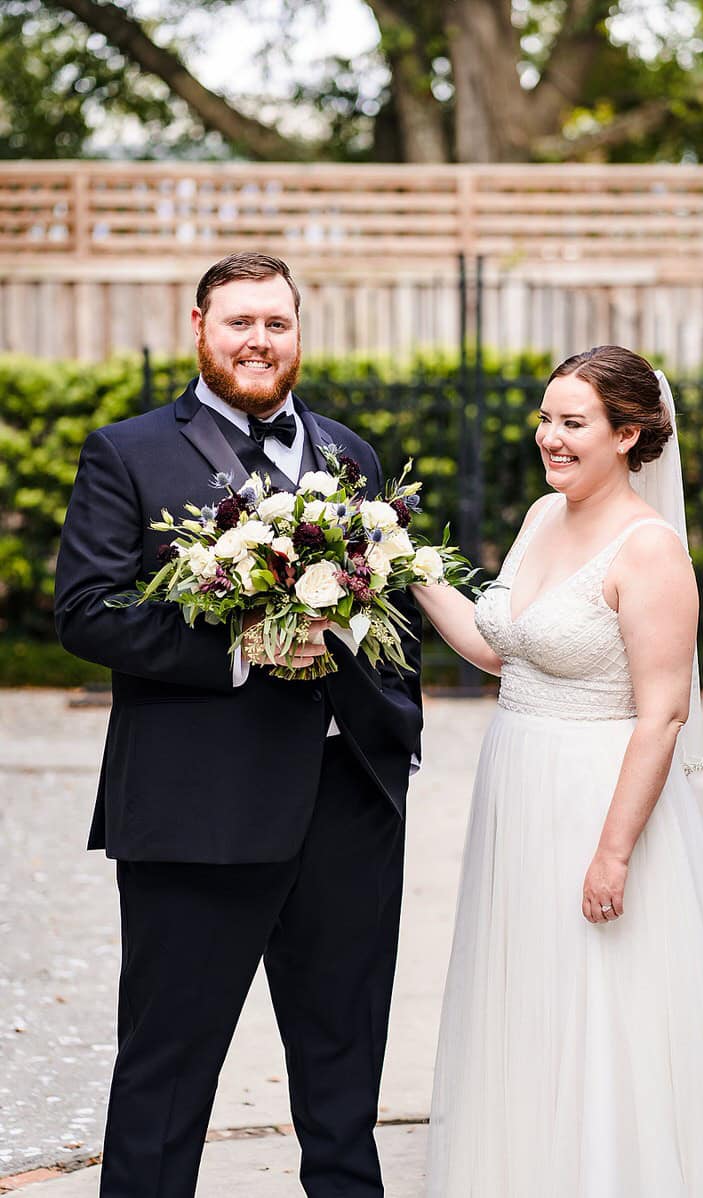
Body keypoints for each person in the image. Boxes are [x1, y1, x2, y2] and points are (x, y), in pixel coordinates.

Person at [54, 252, 423, 1197]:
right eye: (240, 323)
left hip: (348, 803)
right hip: (199, 808)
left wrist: (396, 732)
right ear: (200, 328)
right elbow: (87, 612)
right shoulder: (128, 452)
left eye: (277, 324)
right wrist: (239, 647)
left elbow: (392, 604)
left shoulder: (350, 454)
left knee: (345, 1071)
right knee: (168, 1071)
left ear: (298, 332)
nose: (259, 341)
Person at [411, 345, 703, 1195]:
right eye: (546, 418)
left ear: (627, 435)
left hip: (596, 798)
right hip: (517, 791)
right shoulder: (542, 517)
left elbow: (663, 714)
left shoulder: (650, 550)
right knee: (526, 997)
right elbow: (499, 649)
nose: (550, 437)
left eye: (573, 423)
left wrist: (613, 853)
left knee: (601, 1004)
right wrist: (408, 570)